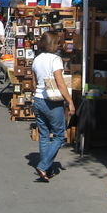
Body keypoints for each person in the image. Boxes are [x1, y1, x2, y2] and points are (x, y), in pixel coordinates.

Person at [31, 31, 75, 181]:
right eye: (57, 43)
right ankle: (43, 165)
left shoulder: (37, 59)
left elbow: (34, 82)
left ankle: (46, 169)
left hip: (38, 98)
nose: (59, 45)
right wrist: (70, 101)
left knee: (44, 135)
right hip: (52, 101)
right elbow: (60, 82)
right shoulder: (55, 59)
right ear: (53, 44)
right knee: (59, 135)